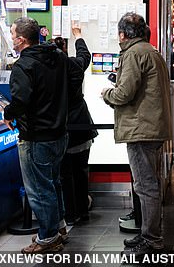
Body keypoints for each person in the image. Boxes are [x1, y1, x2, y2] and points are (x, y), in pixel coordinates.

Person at [102, 13, 172, 256]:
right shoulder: (152, 51)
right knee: (148, 184)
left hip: (141, 129)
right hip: (152, 127)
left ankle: (152, 240)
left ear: (123, 34)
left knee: (146, 186)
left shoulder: (133, 53)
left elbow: (124, 94)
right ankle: (147, 234)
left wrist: (106, 94)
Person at [0, 17, 70, 253]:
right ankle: (59, 228)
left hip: (37, 136)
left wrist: (7, 114)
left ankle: (48, 238)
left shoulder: (24, 66)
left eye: (12, 35)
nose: (11, 38)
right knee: (53, 183)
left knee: (40, 189)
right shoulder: (58, 56)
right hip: (60, 132)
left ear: (21, 40)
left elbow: (21, 100)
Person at [54, 26, 98, 225]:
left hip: (61, 126)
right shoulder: (74, 65)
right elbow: (84, 55)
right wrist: (78, 35)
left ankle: (69, 214)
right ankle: (83, 211)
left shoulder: (48, 70)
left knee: (64, 173)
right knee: (81, 170)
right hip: (81, 124)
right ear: (65, 48)